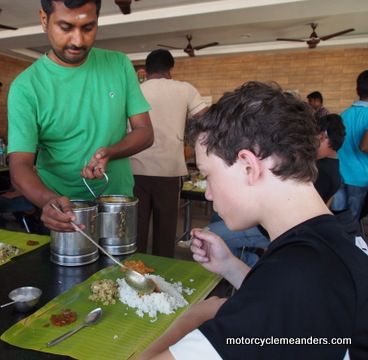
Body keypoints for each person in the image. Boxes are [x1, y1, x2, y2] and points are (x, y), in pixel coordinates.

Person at [139, 81, 368, 360]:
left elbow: (279, 300)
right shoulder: (336, 237)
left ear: (249, 166)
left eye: (208, 175)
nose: (208, 193)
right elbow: (293, 309)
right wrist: (230, 266)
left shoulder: (292, 280)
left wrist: (199, 314)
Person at [7, 0, 153, 232]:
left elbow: (145, 132)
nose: (78, 41)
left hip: (116, 203)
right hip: (61, 210)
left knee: (123, 268)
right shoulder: (26, 87)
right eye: (65, 28)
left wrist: (111, 152)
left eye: (88, 28)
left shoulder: (119, 64)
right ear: (44, 20)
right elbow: (19, 165)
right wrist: (48, 201)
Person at [207, 112, 348, 266]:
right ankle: (251, 253)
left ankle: (251, 262)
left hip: (269, 229)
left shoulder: (321, 171)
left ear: (321, 136)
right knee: (218, 217)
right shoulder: (331, 166)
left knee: (210, 235)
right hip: (271, 223)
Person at [129, 49, 207, 258]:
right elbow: (205, 120)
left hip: (135, 170)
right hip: (169, 171)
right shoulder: (185, 89)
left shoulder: (135, 90)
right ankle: (162, 276)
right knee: (165, 230)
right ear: (171, 69)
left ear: (145, 70)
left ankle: (133, 272)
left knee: (136, 229)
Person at [331, 70, 368, 221]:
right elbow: (364, 147)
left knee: (337, 218)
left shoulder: (344, 114)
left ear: (357, 90)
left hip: (339, 173)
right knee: (351, 222)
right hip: (359, 177)